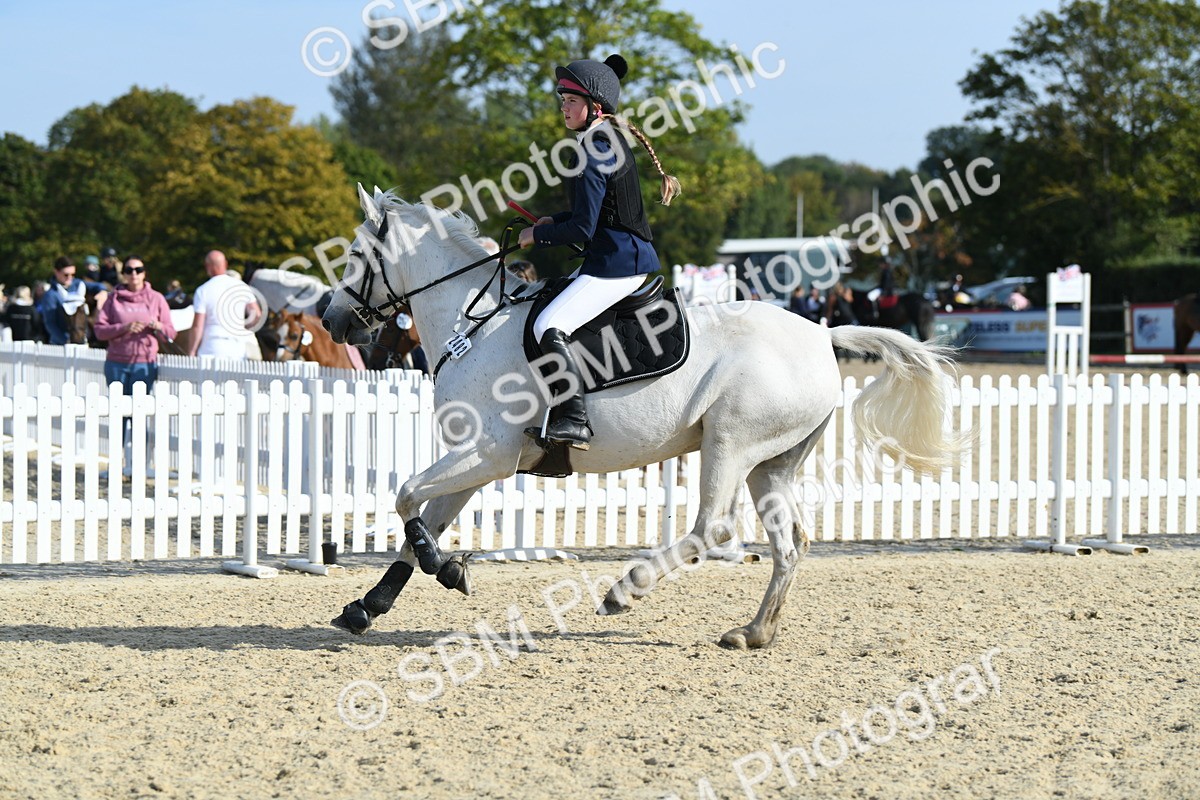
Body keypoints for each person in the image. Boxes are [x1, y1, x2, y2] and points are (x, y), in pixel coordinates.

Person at [517, 54, 680, 451]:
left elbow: (583, 229)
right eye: (562, 100)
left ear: (595, 106)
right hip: (616, 256)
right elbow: (595, 213)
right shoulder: (604, 141)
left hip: (618, 264)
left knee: (547, 326)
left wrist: (537, 236)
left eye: (571, 100)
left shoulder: (593, 148)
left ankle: (575, 419)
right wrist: (551, 221)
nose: (563, 107)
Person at [92, 255, 176, 394]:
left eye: (138, 270)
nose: (134, 274)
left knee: (139, 407)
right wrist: (124, 328)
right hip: (116, 363)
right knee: (117, 407)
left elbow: (171, 333)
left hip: (144, 363)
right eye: (129, 270)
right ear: (123, 274)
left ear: (144, 273)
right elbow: (100, 331)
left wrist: (159, 326)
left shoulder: (157, 298)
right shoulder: (113, 299)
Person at [187, 250, 261, 359]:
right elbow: (256, 314)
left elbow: (198, 326)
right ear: (225, 264)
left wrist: (191, 351)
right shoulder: (241, 286)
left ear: (207, 266)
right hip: (238, 349)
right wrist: (243, 327)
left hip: (212, 348)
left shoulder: (203, 290)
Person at [38, 257, 92, 345]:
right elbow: (50, 323)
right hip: (60, 344)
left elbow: (98, 286)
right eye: (66, 275)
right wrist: (66, 341)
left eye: (73, 275)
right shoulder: (50, 295)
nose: (70, 278)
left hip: (80, 340)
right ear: (56, 272)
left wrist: (102, 292)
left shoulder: (77, 284)